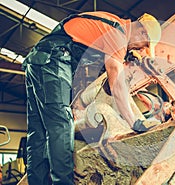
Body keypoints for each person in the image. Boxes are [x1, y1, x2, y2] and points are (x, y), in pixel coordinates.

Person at [22, 11, 161, 185]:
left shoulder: (111, 29)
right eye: (143, 45)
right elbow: (116, 83)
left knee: (39, 132)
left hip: (40, 61)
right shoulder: (117, 32)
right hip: (54, 60)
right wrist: (134, 122)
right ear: (141, 31)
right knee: (62, 126)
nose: (140, 50)